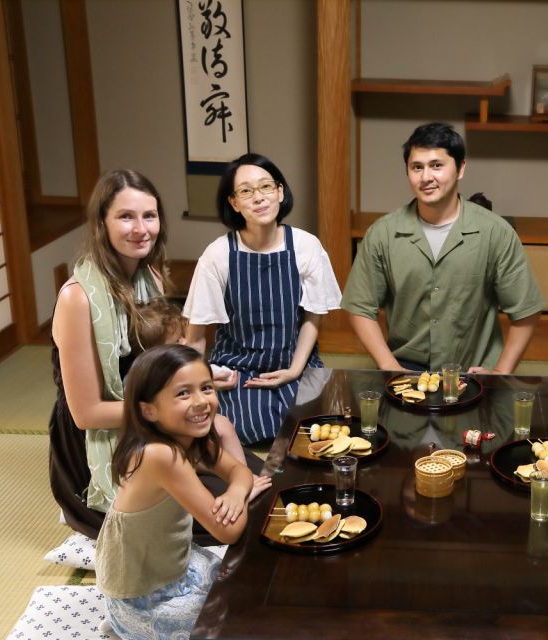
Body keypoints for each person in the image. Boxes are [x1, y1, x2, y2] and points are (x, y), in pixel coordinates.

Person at [49, 169, 263, 542]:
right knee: (226, 519)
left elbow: (156, 361)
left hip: (155, 415)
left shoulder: (150, 277)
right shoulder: (77, 298)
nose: (140, 228)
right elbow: (85, 414)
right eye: (125, 216)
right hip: (102, 436)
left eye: (149, 216)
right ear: (102, 223)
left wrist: (202, 380)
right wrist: (171, 415)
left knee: (256, 486)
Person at [340, 122, 545, 373]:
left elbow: (526, 310)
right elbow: (360, 307)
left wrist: (500, 374)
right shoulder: (382, 234)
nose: (426, 177)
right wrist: (389, 366)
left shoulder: (495, 232)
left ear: (460, 169)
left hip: (472, 369)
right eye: (417, 167)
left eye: (437, 166)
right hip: (406, 366)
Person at [97, 344, 254, 638]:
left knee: (248, 585)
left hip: (173, 564)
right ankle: (126, 626)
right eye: (183, 393)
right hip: (144, 593)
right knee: (241, 617)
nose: (201, 401)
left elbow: (240, 472)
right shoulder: (161, 455)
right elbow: (228, 532)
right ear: (148, 410)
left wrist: (236, 493)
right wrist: (243, 493)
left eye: (206, 388)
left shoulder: (188, 436)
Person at [183, 153, 341, 445]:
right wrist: (202, 382)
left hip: (296, 361)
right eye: (245, 191)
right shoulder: (217, 255)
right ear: (234, 202)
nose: (258, 197)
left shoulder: (306, 246)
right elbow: (194, 336)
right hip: (238, 368)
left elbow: (312, 318)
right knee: (247, 431)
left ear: (280, 192)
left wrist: (294, 369)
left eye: (266, 187)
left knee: (315, 429)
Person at [131, 299, 270, 499]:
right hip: (167, 439)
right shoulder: (144, 378)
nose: (185, 342)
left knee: (222, 424)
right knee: (220, 427)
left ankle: (243, 474)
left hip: (186, 439)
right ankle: (242, 478)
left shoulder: (179, 367)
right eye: (177, 340)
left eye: (183, 337)